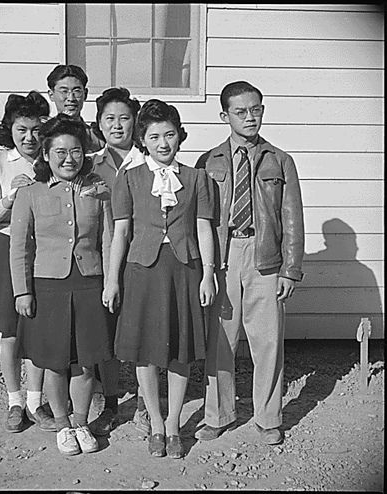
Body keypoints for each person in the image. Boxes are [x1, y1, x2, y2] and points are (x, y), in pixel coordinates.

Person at [103, 99, 216, 459]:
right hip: (142, 270)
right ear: (143, 140)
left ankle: (172, 427)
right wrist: (112, 280)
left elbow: (204, 228)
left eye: (169, 134)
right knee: (146, 351)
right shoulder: (131, 178)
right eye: (154, 137)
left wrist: (208, 274)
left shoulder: (197, 178)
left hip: (184, 268)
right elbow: (121, 232)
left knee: (181, 350)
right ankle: (154, 423)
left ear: (180, 136)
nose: (163, 143)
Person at [194, 81, 304, 445]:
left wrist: (291, 268)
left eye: (256, 109)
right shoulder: (208, 162)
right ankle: (218, 414)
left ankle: (268, 417)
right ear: (224, 116)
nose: (250, 117)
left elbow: (292, 218)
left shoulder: (279, 160)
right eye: (241, 112)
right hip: (223, 258)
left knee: (268, 342)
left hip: (265, 258)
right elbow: (200, 220)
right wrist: (203, 269)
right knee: (221, 341)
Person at [10, 114, 113, 456]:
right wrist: (22, 291)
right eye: (60, 152)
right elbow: (21, 246)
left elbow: (108, 241)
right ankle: (63, 425)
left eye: (76, 151)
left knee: (85, 361)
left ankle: (82, 422)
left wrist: (110, 283)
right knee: (54, 361)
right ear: (46, 155)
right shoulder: (31, 193)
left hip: (89, 283)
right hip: (48, 286)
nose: (69, 159)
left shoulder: (98, 191)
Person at [0, 90, 56, 433]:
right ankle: (14, 401)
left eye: (37, 129)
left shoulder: (55, 158)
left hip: (45, 250)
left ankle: (37, 401)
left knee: (38, 328)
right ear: (9, 128)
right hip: (8, 247)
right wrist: (12, 196)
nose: (30, 137)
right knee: (10, 331)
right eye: (21, 129)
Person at [86, 87, 150, 437]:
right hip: (102, 260)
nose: (117, 125)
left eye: (124, 118)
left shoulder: (150, 161)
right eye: (109, 118)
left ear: (135, 122)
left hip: (143, 258)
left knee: (144, 332)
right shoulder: (90, 165)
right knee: (107, 334)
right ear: (98, 124)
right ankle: (110, 403)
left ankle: (145, 402)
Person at [46, 64, 105, 153]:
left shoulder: (96, 137)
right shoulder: (44, 133)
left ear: (85, 94)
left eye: (77, 91)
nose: (71, 98)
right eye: (64, 91)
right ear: (51, 95)